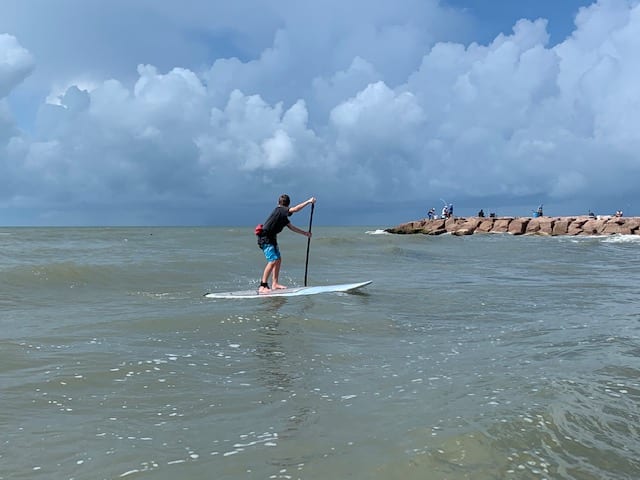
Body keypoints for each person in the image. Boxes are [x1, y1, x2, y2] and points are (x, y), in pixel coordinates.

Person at [256, 194, 316, 294]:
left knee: (278, 259)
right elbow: (295, 209)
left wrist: (305, 233)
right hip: (265, 239)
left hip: (271, 239)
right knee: (273, 260)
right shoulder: (280, 210)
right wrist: (308, 201)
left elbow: (291, 227)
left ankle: (275, 284)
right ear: (287, 205)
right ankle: (263, 286)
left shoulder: (282, 216)